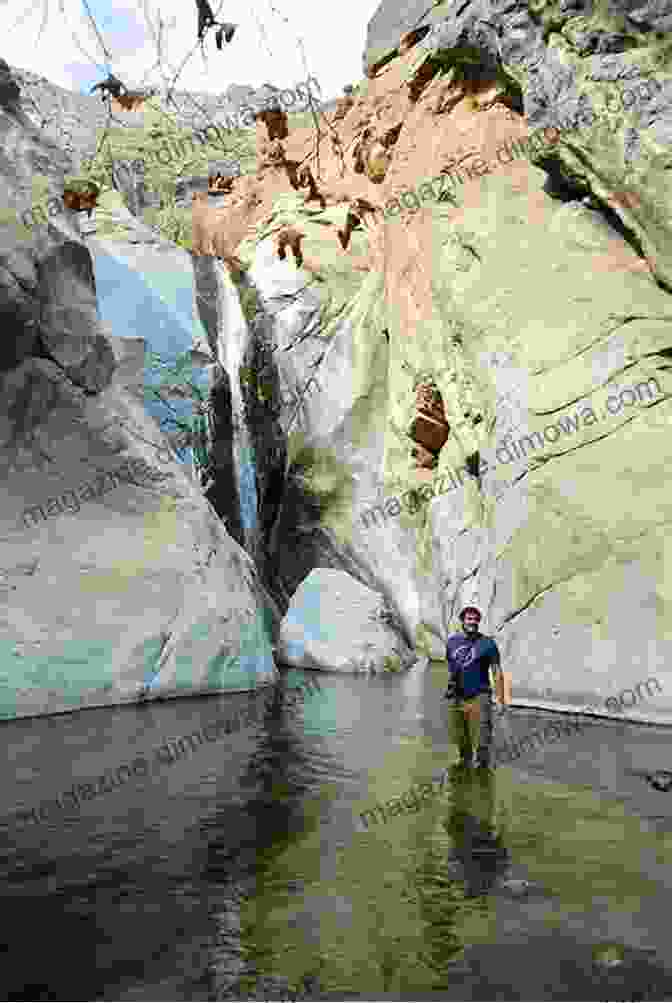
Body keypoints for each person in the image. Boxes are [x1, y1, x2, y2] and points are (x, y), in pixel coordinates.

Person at [444, 606, 505, 769]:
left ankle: (482, 776)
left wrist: (500, 699)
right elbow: (451, 667)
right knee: (461, 738)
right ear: (462, 620)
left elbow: (497, 672)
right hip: (458, 696)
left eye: (476, 619)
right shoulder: (452, 642)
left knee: (482, 740)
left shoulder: (488, 644)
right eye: (469, 619)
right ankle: (463, 780)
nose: (473, 622)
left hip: (480, 695)